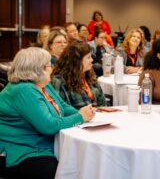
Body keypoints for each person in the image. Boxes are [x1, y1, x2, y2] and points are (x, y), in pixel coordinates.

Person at [0, 47, 95, 178]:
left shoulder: (42, 84)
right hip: (23, 150)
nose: (52, 68)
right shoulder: (24, 90)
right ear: (38, 69)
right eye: (49, 65)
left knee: (77, 159)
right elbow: (48, 126)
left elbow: (62, 106)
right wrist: (80, 117)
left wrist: (85, 114)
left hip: (39, 143)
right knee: (57, 167)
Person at [51, 42, 106, 109]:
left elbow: (103, 103)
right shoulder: (59, 81)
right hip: (78, 118)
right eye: (88, 57)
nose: (92, 60)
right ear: (77, 61)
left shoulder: (90, 76)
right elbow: (60, 110)